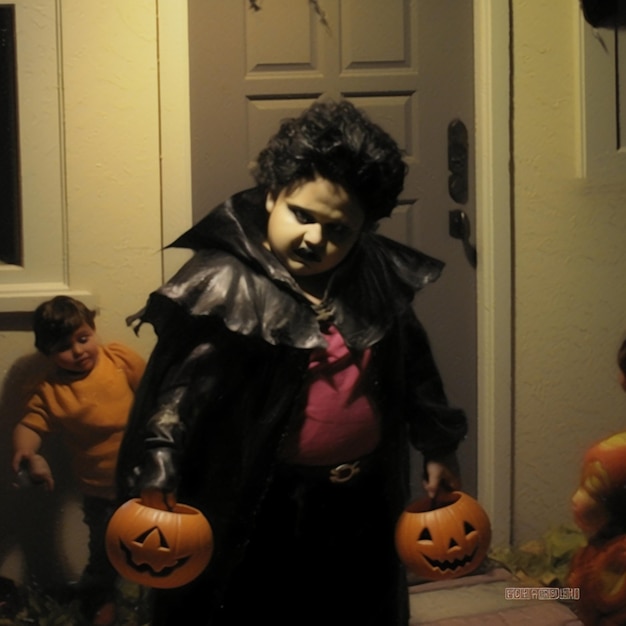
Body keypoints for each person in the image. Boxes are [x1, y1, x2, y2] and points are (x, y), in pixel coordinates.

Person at [116, 99, 468, 626]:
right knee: (261, 606)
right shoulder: (226, 284)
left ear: (363, 230)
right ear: (273, 193)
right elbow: (182, 388)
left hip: (362, 496)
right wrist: (161, 456)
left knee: (353, 605)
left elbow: (413, 367)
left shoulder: (372, 276)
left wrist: (438, 444)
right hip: (264, 500)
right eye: (301, 215)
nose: (314, 239)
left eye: (339, 230)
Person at [11, 295, 146, 625]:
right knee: (104, 555)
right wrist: (28, 453)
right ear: (48, 352)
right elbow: (29, 424)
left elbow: (154, 391)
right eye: (63, 346)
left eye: (83, 339)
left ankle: (146, 604)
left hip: (144, 480)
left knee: (151, 549)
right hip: (99, 492)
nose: (78, 351)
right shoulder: (51, 391)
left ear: (93, 330)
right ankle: (100, 605)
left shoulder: (118, 360)